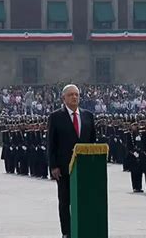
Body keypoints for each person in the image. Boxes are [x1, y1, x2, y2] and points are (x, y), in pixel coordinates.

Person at [47, 84, 96, 238]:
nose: (74, 97)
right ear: (64, 98)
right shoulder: (55, 117)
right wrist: (53, 166)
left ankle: (82, 227)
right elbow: (51, 144)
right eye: (70, 95)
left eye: (76, 94)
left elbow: (93, 143)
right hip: (64, 168)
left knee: (83, 200)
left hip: (84, 168)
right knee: (65, 201)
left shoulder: (88, 116)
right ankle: (67, 231)